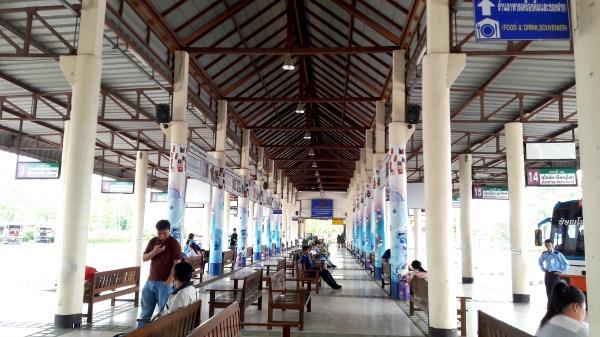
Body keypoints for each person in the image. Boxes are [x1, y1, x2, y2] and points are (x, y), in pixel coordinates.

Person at [137, 220, 182, 328]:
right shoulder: (153, 241)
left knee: (164, 312)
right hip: (150, 281)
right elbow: (144, 258)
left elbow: (176, 265)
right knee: (145, 311)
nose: (162, 236)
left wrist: (169, 280)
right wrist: (155, 252)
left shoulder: (174, 244)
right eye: (159, 233)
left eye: (164, 233)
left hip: (164, 284)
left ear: (169, 231)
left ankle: (164, 332)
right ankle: (140, 333)